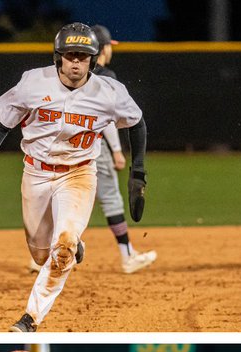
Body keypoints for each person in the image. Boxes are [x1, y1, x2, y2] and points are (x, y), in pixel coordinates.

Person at [0, 23, 148, 332]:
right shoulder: (33, 83)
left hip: (79, 174)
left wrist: (138, 173)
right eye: (70, 55)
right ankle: (72, 246)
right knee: (42, 254)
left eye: (83, 57)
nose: (76, 62)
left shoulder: (109, 92)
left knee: (64, 247)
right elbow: (1, 125)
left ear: (93, 60)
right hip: (36, 174)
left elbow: (136, 123)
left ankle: (30, 318)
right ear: (58, 57)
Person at [90, 24, 156, 275]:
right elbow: (105, 120)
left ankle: (39, 257)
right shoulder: (106, 76)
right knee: (111, 199)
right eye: (109, 46)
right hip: (92, 148)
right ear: (102, 48)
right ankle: (127, 255)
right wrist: (117, 149)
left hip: (58, 148)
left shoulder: (68, 75)